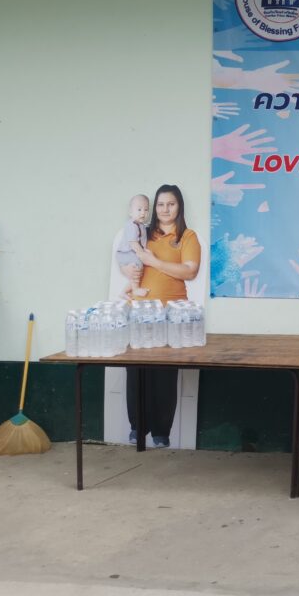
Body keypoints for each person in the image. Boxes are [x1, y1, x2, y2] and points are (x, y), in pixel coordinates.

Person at [126, 185, 202, 448]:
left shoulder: (187, 236)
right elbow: (130, 260)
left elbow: (190, 271)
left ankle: (161, 432)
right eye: (160, 204)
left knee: (164, 374)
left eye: (171, 204)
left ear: (179, 206)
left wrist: (154, 261)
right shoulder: (142, 233)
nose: (165, 209)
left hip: (172, 314)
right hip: (140, 312)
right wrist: (129, 276)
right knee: (136, 371)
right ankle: (137, 427)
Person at [116, 194, 151, 298]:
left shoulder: (141, 225)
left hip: (130, 253)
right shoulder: (132, 225)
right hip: (127, 253)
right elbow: (133, 243)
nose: (143, 213)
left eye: (146, 210)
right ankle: (135, 290)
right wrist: (142, 254)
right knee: (137, 268)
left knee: (137, 272)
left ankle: (124, 292)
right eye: (139, 209)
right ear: (131, 212)